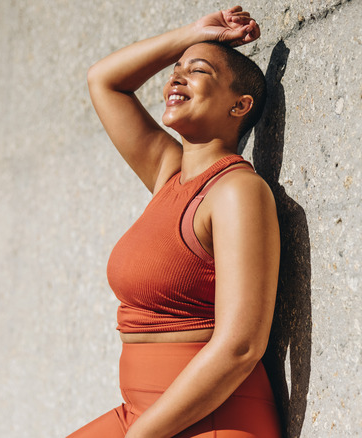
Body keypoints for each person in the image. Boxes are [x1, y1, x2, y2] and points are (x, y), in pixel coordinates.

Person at [69, 6, 282, 438]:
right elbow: (104, 80)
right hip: (143, 414)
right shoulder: (168, 174)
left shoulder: (236, 191)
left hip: (215, 417)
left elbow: (241, 346)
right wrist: (193, 34)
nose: (175, 79)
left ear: (240, 105)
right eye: (174, 71)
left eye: (198, 71)